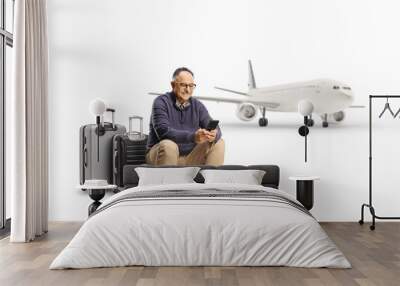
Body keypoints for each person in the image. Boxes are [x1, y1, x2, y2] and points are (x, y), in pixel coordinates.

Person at [146, 67, 225, 166]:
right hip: (160, 156)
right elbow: (163, 132)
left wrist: (213, 134)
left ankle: (209, 180)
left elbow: (214, 127)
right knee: (169, 145)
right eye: (183, 85)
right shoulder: (161, 102)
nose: (188, 90)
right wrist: (193, 137)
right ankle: (166, 180)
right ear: (173, 85)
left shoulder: (197, 105)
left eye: (191, 86)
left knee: (218, 142)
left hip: (189, 158)